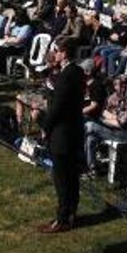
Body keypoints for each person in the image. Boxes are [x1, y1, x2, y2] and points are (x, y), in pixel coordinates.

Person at [37, 37, 84, 234]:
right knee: (71, 176)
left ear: (64, 53)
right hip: (73, 130)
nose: (55, 54)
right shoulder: (77, 72)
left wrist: (44, 126)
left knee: (63, 178)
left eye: (57, 50)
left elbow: (57, 108)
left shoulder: (67, 75)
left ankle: (62, 218)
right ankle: (70, 214)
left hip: (63, 133)